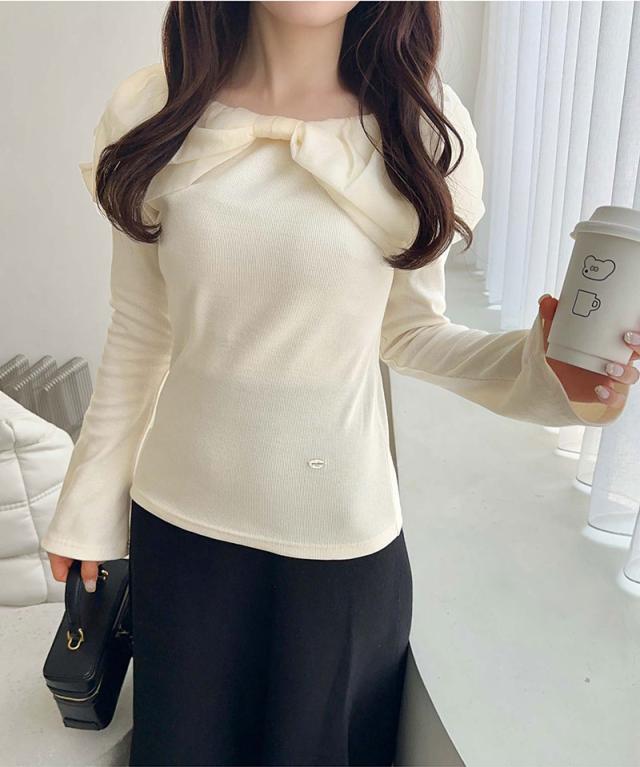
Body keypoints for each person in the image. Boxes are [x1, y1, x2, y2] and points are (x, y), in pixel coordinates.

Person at [42, 2, 638, 765]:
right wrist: (86, 511)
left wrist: (542, 372)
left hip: (340, 557)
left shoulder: (420, 130)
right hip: (180, 539)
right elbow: (139, 331)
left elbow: (410, 333)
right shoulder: (153, 110)